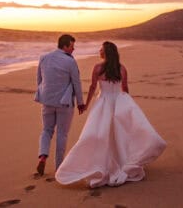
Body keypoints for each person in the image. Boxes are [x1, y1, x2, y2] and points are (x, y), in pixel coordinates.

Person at [55, 41, 167, 188]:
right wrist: (127, 103)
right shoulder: (121, 68)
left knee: (100, 133)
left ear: (106, 52)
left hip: (103, 102)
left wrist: (86, 104)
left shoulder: (98, 68)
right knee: (120, 133)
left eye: (101, 49)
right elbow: (125, 88)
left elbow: (93, 87)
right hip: (119, 101)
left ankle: (103, 161)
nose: (99, 51)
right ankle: (121, 160)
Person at [34, 34, 86, 176]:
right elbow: (76, 83)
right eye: (72, 46)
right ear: (65, 46)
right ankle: (59, 167)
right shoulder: (70, 61)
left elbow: (39, 80)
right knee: (62, 134)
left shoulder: (44, 57)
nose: (73, 49)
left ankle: (43, 156)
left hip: (47, 101)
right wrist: (81, 102)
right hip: (64, 103)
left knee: (46, 130)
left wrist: (43, 95)